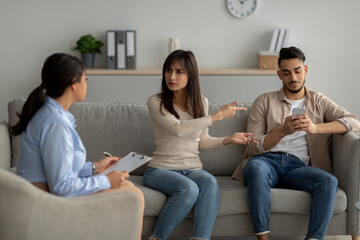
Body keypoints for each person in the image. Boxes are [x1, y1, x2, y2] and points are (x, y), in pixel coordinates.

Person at [232, 46, 360, 240]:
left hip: (298, 167)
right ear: (279, 75)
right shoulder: (264, 101)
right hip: (265, 161)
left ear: (305, 70)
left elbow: (353, 122)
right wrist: (282, 131)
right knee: (256, 168)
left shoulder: (318, 100)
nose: (293, 77)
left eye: (297, 71)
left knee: (329, 181)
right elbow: (252, 144)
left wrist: (316, 128)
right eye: (287, 73)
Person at [12, 53, 144, 240]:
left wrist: (94, 168)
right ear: (74, 84)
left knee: (129, 187)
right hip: (44, 200)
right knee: (133, 196)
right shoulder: (55, 123)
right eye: (85, 79)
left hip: (45, 191)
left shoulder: (51, 113)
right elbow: (62, 187)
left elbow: (54, 166)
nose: (86, 85)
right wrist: (106, 181)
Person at [144, 49, 258, 240]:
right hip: (160, 170)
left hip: (192, 169)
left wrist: (229, 139)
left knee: (209, 182)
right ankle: (156, 237)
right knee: (189, 188)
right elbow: (178, 128)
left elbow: (202, 142)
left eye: (179, 71)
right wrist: (217, 117)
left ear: (191, 74)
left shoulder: (201, 102)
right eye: (168, 70)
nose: (172, 76)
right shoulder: (156, 102)